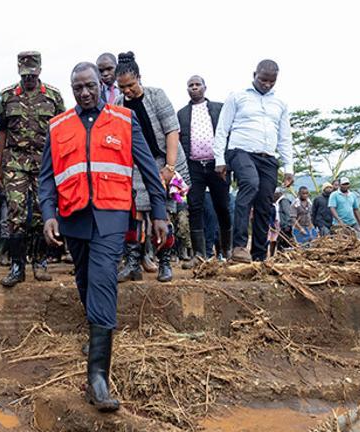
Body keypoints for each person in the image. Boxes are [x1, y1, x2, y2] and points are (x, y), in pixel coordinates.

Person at [39, 62, 168, 412]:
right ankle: (95, 326)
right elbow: (46, 177)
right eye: (77, 87)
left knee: (102, 278)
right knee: (84, 277)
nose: (84, 93)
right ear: (71, 89)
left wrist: (159, 211)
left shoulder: (124, 120)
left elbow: (148, 167)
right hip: (73, 216)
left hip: (111, 214)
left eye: (90, 86)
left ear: (101, 84)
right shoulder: (58, 126)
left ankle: (97, 377)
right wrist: (49, 215)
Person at [114, 51, 189, 283]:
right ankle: (133, 263)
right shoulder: (117, 104)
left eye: (130, 85)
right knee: (133, 216)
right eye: (122, 87)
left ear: (139, 77)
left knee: (163, 214)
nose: (127, 91)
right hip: (135, 166)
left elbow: (172, 131)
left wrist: (169, 166)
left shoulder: (157, 96)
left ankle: (165, 263)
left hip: (163, 161)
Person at [0, 51, 67, 287]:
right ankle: (17, 266)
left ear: (39, 71)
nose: (28, 79)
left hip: (44, 164)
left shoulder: (53, 97)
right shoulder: (7, 96)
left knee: (40, 212)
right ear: (19, 71)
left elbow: (62, 131)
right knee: (15, 212)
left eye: (32, 74)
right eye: (25, 75)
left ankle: (40, 262)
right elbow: (2, 133)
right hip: (15, 162)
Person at [214, 59, 293, 263]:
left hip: (268, 157)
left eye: (271, 82)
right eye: (263, 79)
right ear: (254, 74)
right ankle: (239, 247)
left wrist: (289, 167)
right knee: (250, 184)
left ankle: (259, 254)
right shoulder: (237, 96)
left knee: (264, 202)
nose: (267, 84)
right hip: (240, 151)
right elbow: (222, 129)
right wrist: (219, 160)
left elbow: (285, 136)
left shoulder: (280, 103)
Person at [177, 75, 230, 260]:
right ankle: (199, 254)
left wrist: (227, 162)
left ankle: (226, 251)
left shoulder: (219, 108)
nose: (194, 88)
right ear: (187, 89)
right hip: (194, 166)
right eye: (190, 85)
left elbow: (227, 134)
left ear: (205, 88)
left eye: (197, 84)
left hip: (218, 165)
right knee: (195, 206)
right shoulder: (182, 113)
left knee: (222, 206)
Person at [270, 188, 292, 255]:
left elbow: (288, 213)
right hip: (281, 225)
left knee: (284, 243)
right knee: (280, 243)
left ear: (278, 194)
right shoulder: (278, 202)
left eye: (274, 194)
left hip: (285, 226)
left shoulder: (284, 201)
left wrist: (288, 224)